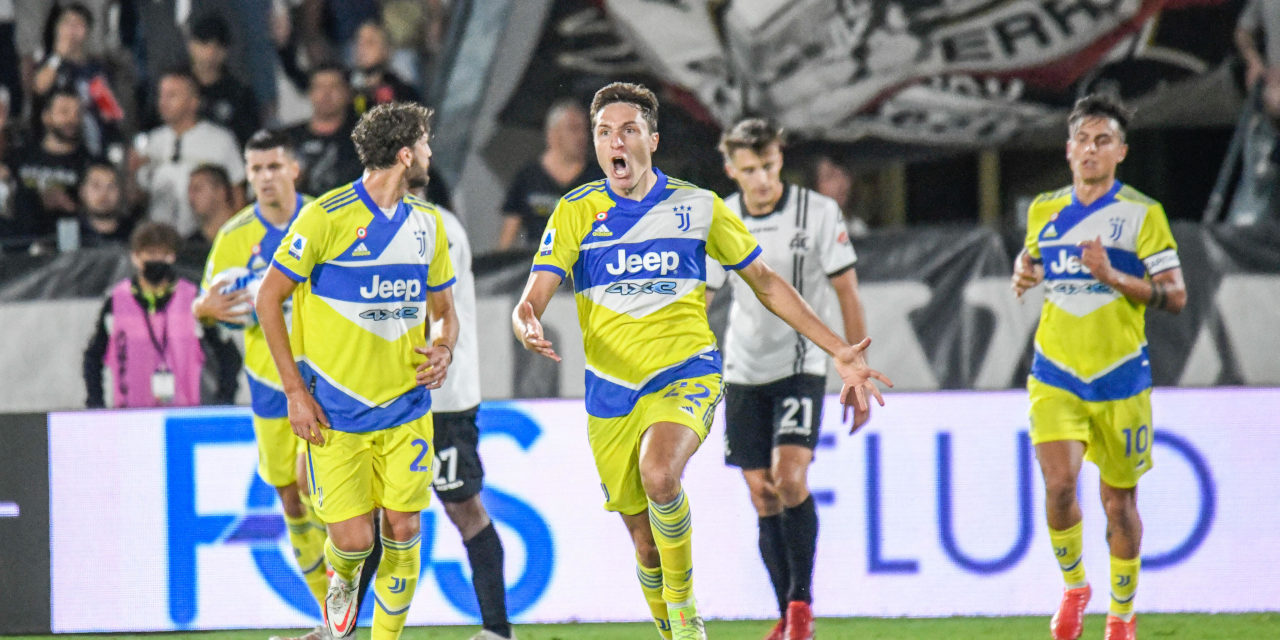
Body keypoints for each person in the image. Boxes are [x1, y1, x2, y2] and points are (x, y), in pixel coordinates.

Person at [511, 82, 890, 640]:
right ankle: (672, 629)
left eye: (628, 130)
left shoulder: (698, 207)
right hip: (610, 389)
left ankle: (686, 611)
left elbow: (764, 281)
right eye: (604, 132)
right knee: (643, 542)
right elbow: (533, 296)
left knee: (660, 473)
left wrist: (840, 350)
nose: (615, 141)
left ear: (653, 140)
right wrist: (527, 320)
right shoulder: (575, 211)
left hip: (685, 371)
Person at [256, 102, 457, 640]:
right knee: (352, 543)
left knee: (405, 527)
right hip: (336, 414)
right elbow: (267, 300)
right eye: (427, 143)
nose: (432, 153)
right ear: (407, 153)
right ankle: (339, 597)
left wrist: (444, 347)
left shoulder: (428, 226)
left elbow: (445, 313)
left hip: (407, 409)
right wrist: (295, 393)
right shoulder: (326, 217)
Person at [1011, 94, 1186, 640]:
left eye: (1102, 140)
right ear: (1068, 150)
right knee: (1059, 486)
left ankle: (1121, 616)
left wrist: (1113, 278)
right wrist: (1025, 270)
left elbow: (1175, 296)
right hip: (1056, 372)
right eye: (1082, 140)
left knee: (1119, 503)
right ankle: (1074, 587)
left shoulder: (1143, 214)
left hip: (1120, 378)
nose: (1091, 149)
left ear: (1121, 151)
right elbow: (1035, 259)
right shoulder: (1044, 209)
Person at [708, 119, 869, 640]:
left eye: (769, 166)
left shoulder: (816, 213)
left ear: (781, 160)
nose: (761, 180)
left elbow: (846, 290)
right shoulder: (721, 218)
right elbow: (702, 298)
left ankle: (801, 607)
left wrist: (856, 368)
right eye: (749, 169)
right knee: (761, 494)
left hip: (801, 366)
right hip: (742, 370)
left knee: (789, 477)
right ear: (731, 169)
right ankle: (787, 613)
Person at [191, 128, 331, 635]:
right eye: (256, 170)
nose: (266, 177)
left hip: (324, 379)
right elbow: (207, 304)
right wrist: (203, 309)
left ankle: (354, 606)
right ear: (246, 176)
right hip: (269, 385)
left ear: (294, 168)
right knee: (290, 497)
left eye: (275, 166)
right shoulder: (233, 237)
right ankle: (332, 620)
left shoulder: (326, 219)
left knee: (323, 492)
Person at [422, 196, 517, 640]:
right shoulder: (379, 223)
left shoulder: (438, 227)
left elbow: (435, 310)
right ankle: (334, 631)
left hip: (442, 400)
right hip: (393, 400)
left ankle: (497, 630)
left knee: (464, 507)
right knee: (373, 518)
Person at [83, 221, 239, 408]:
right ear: (135, 257)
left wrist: (223, 401)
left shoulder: (193, 300)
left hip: (183, 413)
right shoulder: (116, 301)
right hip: (129, 414)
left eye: (163, 254)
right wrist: (95, 404)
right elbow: (93, 357)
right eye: (150, 254)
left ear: (172, 256)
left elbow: (229, 355)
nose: (156, 261)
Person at [131, 69, 244, 238]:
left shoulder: (220, 139)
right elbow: (137, 200)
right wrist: (132, 173)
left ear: (193, 102)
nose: (163, 102)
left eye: (172, 96)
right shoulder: (151, 142)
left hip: (206, 240)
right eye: (161, 95)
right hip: (160, 239)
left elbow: (237, 195)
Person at [496, 99, 601, 251]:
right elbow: (509, 232)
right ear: (553, 133)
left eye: (584, 130)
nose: (581, 136)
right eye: (573, 129)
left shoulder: (598, 177)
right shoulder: (528, 176)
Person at [10, 89, 90, 242]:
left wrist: (71, 207)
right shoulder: (21, 157)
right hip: (19, 246)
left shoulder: (88, 163)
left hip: (71, 248)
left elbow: (103, 216)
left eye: (77, 113)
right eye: (64, 112)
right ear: (46, 117)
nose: (72, 119)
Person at [285, 63, 364, 197]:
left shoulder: (362, 139)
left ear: (348, 93)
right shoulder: (289, 138)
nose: (326, 94)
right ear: (310, 93)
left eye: (334, 87)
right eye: (319, 87)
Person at [186, 14, 262, 147]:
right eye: (204, 44)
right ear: (191, 45)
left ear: (225, 51)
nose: (210, 53)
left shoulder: (239, 94)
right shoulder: (176, 87)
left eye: (217, 46)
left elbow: (251, 140)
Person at [350, 21, 420, 116]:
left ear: (386, 50)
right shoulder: (347, 90)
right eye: (358, 42)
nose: (361, 48)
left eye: (370, 42)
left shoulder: (402, 92)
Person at [182, 163, 236, 267]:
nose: (191, 196)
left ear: (221, 192)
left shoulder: (247, 236)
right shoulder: (190, 246)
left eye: (197, 189)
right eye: (189, 190)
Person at [78, 161, 132, 247]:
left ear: (121, 192)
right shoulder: (67, 232)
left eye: (111, 187)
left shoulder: (135, 233)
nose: (103, 195)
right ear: (82, 191)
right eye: (96, 186)